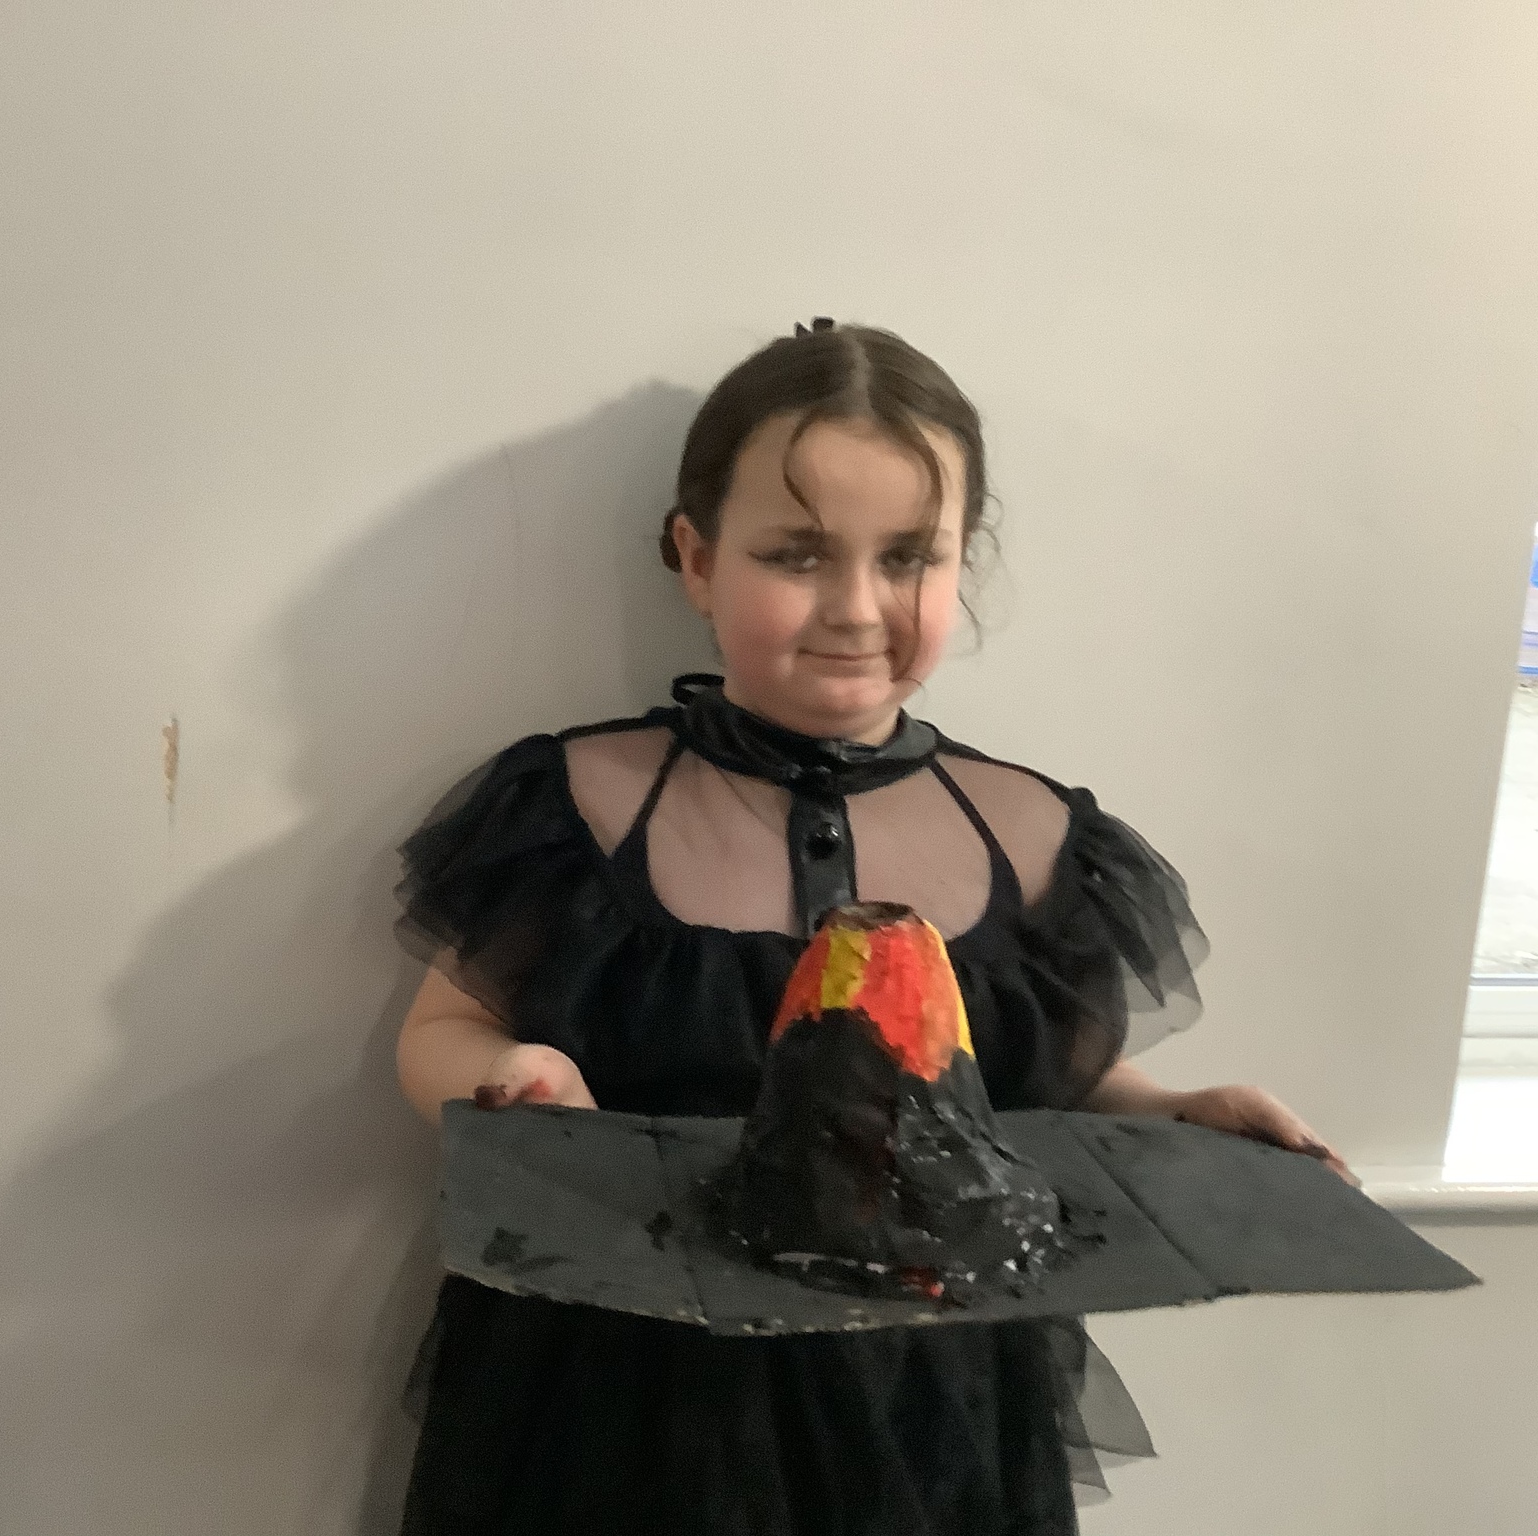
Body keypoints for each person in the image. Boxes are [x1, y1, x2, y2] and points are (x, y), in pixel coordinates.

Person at [389, 321, 1351, 1536]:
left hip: (930, 1396)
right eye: (794, 553)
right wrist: (514, 1072)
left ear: (960, 565)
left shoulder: (1032, 836)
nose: (853, 607)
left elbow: (1037, 1083)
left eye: (905, 557)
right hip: (621, 1390)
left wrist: (1172, 1113)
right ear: (696, 559)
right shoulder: (573, 808)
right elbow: (441, 1031)